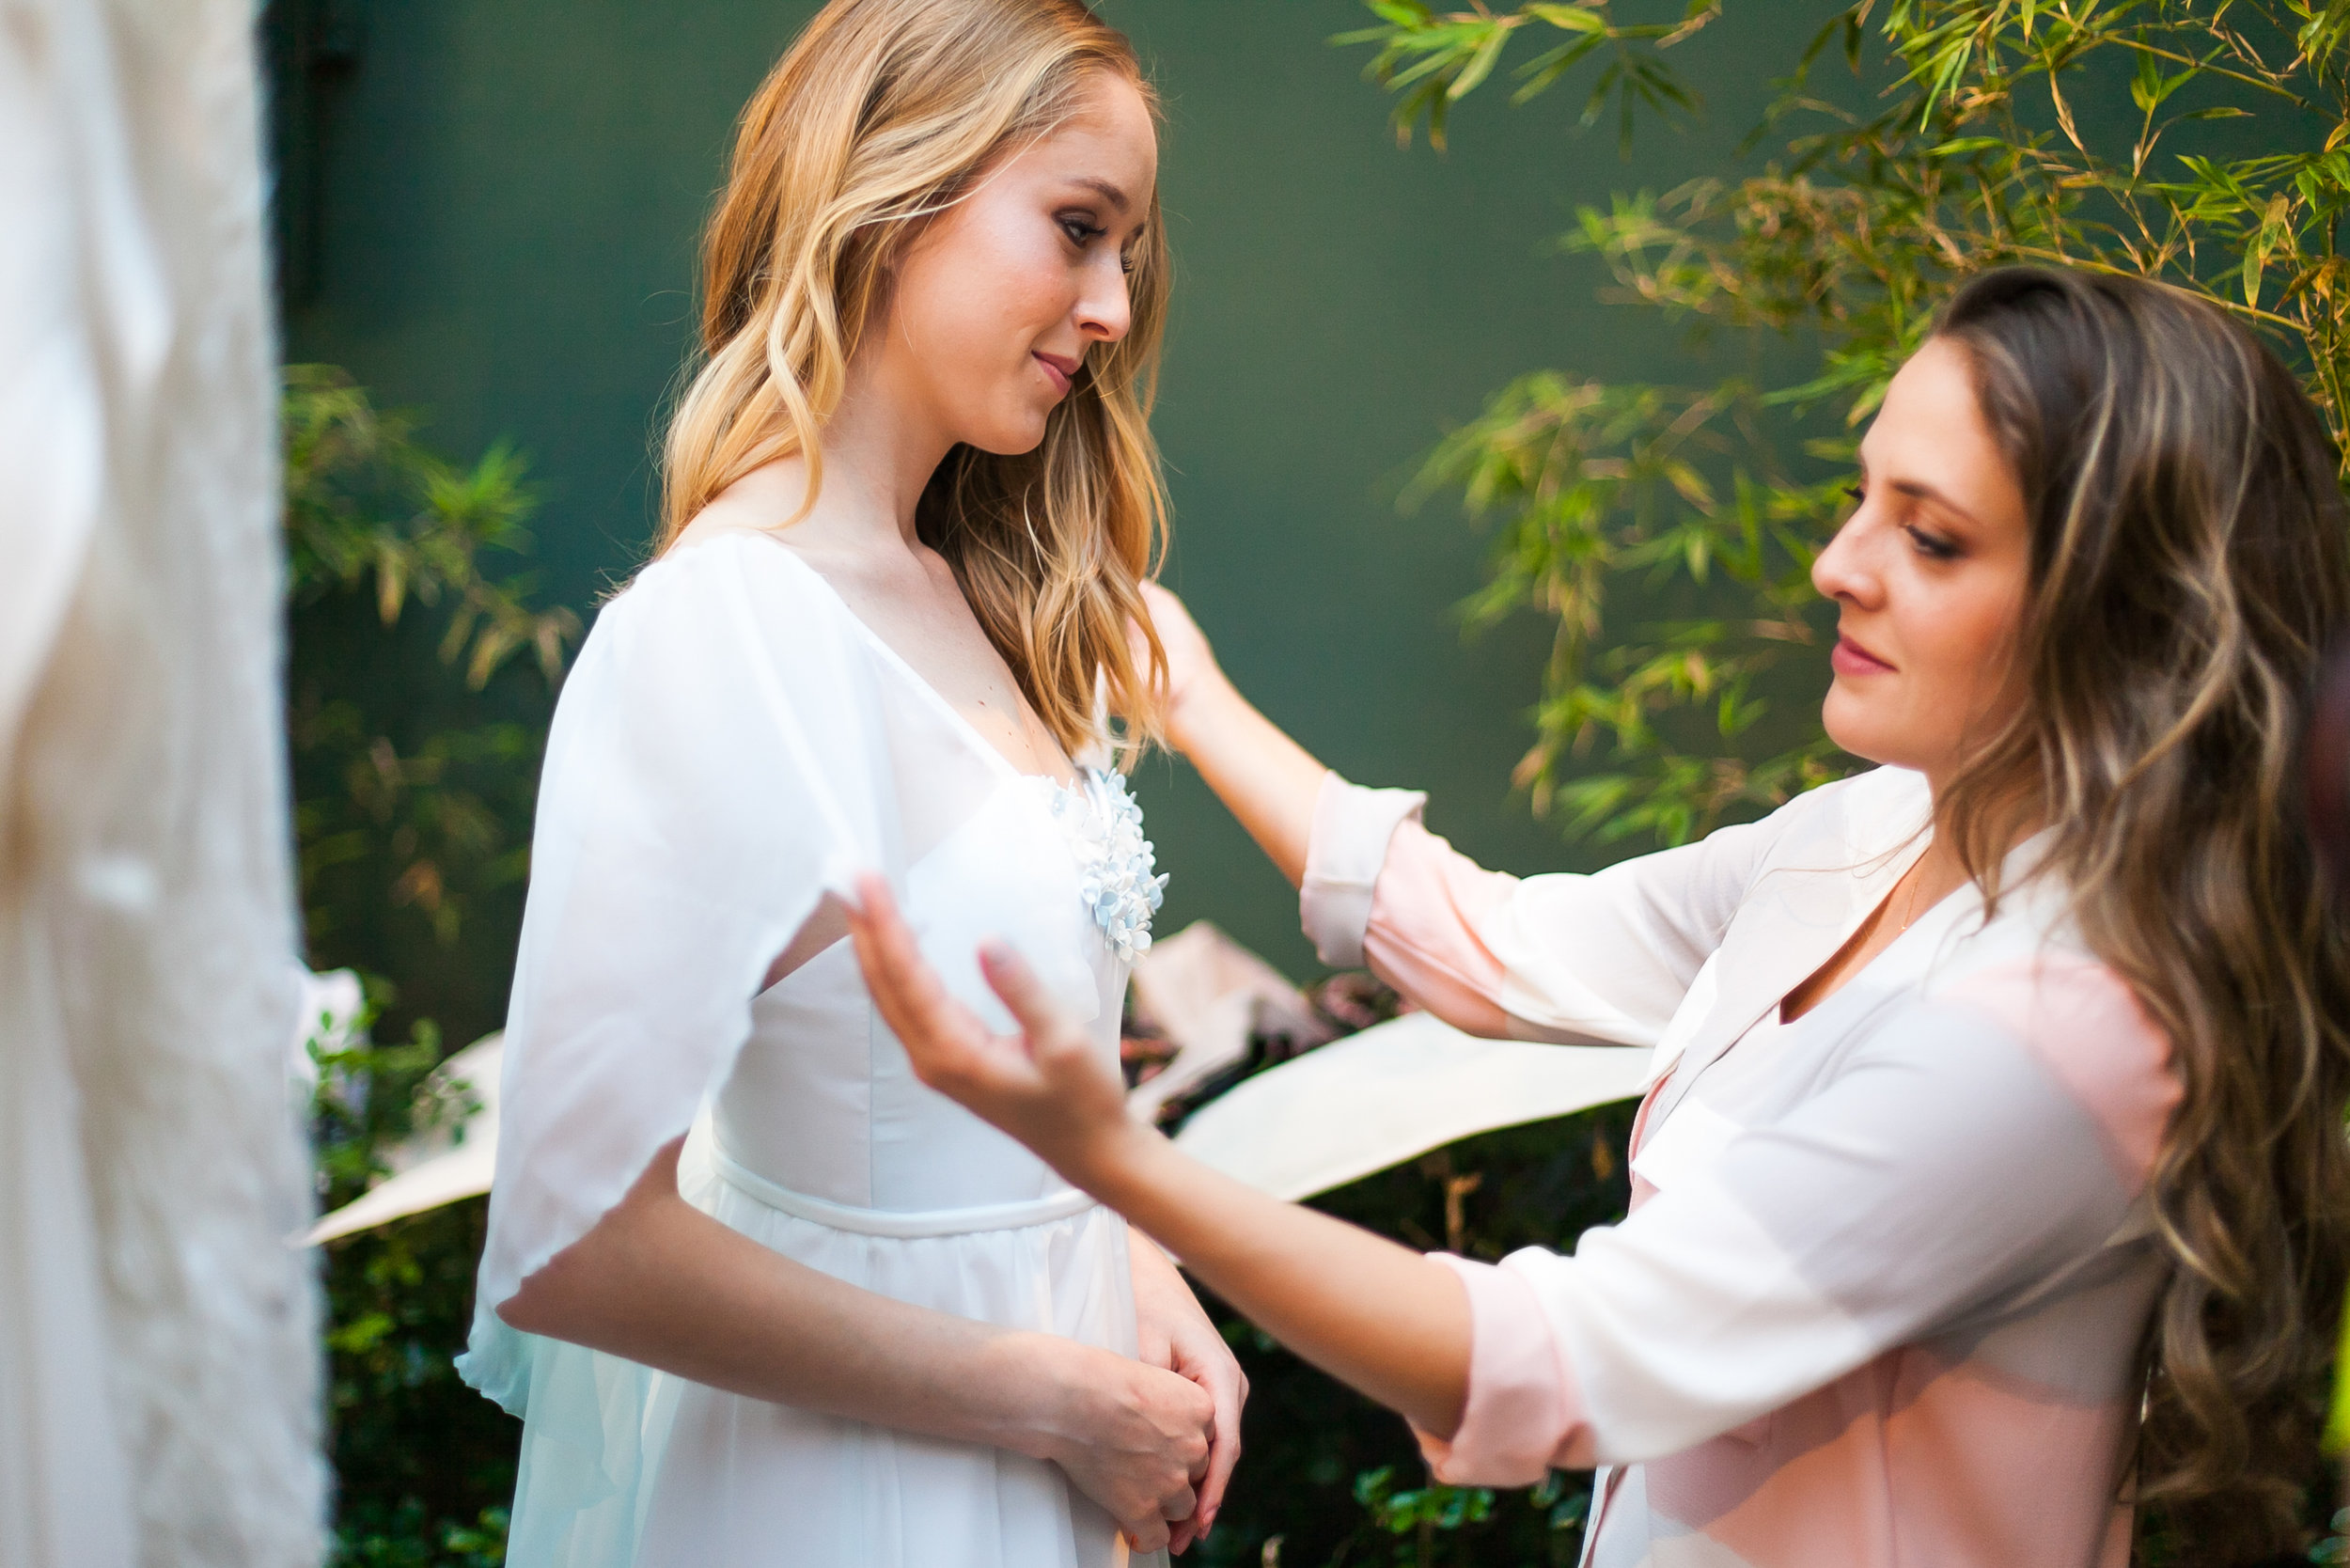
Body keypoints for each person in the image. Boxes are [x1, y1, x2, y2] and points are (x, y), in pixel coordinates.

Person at [847, 266, 2350, 1565]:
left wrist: (1111, 1162)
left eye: (1934, 538)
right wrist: (1188, 694)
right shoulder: (1883, 826)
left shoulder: (2060, 1039)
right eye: (1861, 496)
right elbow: (1498, 946)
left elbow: (1561, 1359)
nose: (1839, 565)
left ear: (2129, 612)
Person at [453, 3, 1245, 1562]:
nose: (1109, 306)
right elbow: (571, 1246)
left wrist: (1137, 1275)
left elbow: (1012, 1110)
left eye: (1129, 251)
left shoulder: (980, 596)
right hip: (847, 1500)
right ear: (893, 187)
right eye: (1078, 230)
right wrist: (1052, 1403)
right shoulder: (723, 632)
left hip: (1046, 1480)